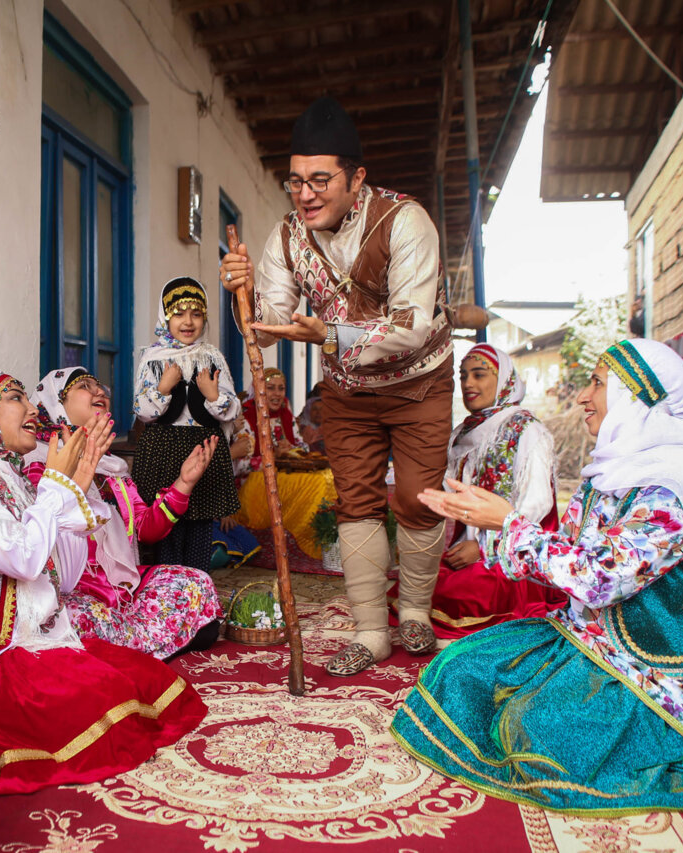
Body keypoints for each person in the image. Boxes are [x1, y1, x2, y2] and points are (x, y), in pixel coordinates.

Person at [392, 339, 683, 813]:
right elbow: (571, 557)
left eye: (597, 383)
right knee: (460, 668)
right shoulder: (611, 472)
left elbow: (598, 577)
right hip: (591, 636)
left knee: (535, 727)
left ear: (639, 397)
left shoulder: (678, 485)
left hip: (657, 668)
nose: (581, 397)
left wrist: (507, 524)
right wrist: (498, 531)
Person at [220, 96, 453, 675]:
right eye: (295, 181)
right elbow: (268, 326)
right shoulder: (285, 237)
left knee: (418, 498)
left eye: (321, 180)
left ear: (357, 178)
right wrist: (241, 294)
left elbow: (412, 323)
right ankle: (372, 630)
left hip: (419, 383)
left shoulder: (406, 222)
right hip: (347, 392)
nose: (306, 194)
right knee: (355, 502)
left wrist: (331, 331)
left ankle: (417, 614)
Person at [0, 370, 207, 794]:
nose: (32, 409)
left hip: (37, 635)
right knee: (108, 702)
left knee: (148, 679)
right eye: (16, 399)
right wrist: (59, 485)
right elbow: (26, 560)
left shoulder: (8, 474)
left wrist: (77, 487)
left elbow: (73, 548)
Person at [23, 367, 223, 659]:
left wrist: (184, 483)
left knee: (196, 582)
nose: (100, 392)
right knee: (78, 616)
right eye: (85, 386)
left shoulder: (113, 469)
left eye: (101, 386)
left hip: (123, 588)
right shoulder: (38, 464)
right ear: (56, 402)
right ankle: (141, 643)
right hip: (75, 591)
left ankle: (127, 644)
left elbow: (146, 529)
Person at [421, 343, 566, 638]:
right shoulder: (463, 432)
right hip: (468, 543)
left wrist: (483, 548)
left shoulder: (526, 430)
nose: (468, 384)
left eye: (479, 374)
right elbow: (450, 487)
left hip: (514, 551)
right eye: (463, 376)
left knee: (463, 597)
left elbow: (537, 505)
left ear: (504, 381)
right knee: (418, 582)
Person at [132, 278, 242, 571]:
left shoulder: (212, 357)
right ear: (165, 316)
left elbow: (232, 410)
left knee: (200, 531)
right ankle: (168, 598)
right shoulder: (153, 358)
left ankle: (197, 599)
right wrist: (163, 388)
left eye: (196, 313)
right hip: (162, 452)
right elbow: (141, 410)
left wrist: (214, 396)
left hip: (203, 452)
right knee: (166, 526)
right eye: (179, 313)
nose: (188, 321)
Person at [234, 368, 338, 562]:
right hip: (252, 481)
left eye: (281, 389)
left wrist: (290, 448)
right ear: (258, 389)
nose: (277, 394)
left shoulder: (285, 414)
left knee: (325, 477)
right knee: (314, 483)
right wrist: (272, 455)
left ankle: (321, 537)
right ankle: (297, 538)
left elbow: (302, 446)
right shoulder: (246, 416)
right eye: (270, 388)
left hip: (283, 475)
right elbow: (239, 465)